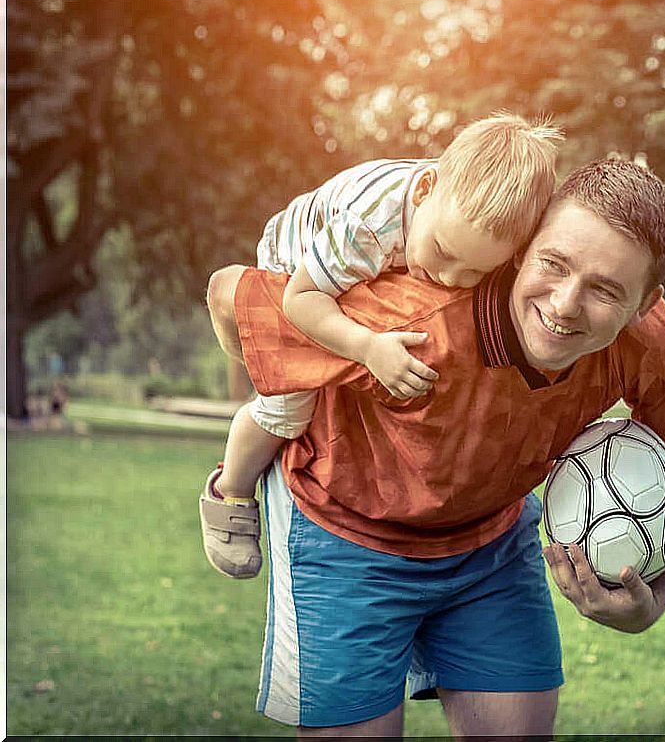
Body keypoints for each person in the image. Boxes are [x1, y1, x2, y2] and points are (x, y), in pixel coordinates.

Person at [205, 158, 665, 738]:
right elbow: (230, 293)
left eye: (605, 290)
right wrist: (285, 382)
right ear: (522, 250)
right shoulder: (412, 313)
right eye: (553, 263)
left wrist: (653, 600)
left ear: (646, 303)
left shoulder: (649, 343)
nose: (563, 304)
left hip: (490, 545)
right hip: (346, 537)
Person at [200, 113, 563, 579]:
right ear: (423, 190)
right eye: (444, 252)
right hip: (293, 266)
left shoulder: (457, 214)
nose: (450, 278)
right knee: (286, 412)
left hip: (349, 264)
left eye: (474, 272)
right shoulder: (370, 228)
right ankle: (229, 489)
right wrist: (369, 347)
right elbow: (301, 299)